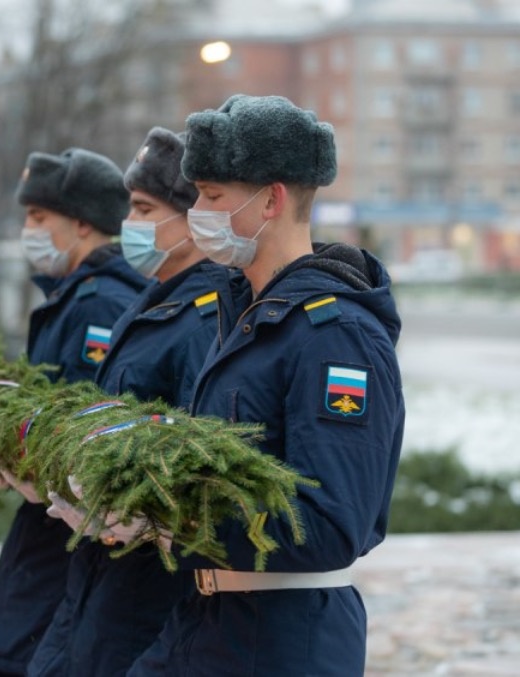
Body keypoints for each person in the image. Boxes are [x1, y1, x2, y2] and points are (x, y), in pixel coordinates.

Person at [128, 94, 405, 676]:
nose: (198, 211)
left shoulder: (336, 336)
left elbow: (329, 524)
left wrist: (171, 511)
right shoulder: (243, 316)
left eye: (213, 196)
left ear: (272, 199)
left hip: (282, 640)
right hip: (208, 622)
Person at [27, 127, 247, 676]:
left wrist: (139, 508)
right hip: (104, 573)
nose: (131, 225)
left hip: (149, 585)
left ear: (192, 218)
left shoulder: (204, 317)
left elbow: (194, 452)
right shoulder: (155, 303)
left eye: (146, 209)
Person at [0, 147, 146, 677]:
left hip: (62, 542)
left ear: (82, 224)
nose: (29, 230)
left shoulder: (98, 304)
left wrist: (5, 446)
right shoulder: (73, 296)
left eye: (39, 217)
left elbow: (74, 428)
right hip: (47, 541)